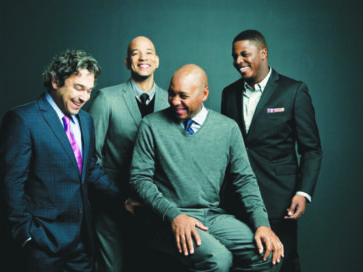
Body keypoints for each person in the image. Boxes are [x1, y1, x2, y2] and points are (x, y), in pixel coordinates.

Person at [129, 64, 283, 272]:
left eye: (183, 96)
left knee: (269, 254)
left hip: (213, 216)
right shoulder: (151, 125)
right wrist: (175, 216)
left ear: (204, 94)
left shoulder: (227, 128)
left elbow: (245, 180)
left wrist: (262, 224)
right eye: (172, 94)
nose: (175, 101)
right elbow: (139, 179)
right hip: (167, 219)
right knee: (218, 260)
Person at [0, 49, 121, 272]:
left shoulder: (86, 120)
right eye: (79, 88)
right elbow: (10, 183)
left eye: (89, 90)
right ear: (55, 81)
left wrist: (123, 199)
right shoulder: (23, 119)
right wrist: (26, 235)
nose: (85, 97)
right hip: (42, 244)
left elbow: (89, 168)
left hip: (82, 242)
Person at [221, 30, 323, 272]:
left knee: (283, 262)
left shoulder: (294, 91)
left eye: (244, 54)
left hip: (280, 198)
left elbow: (312, 149)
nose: (238, 61)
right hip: (236, 198)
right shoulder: (229, 93)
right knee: (242, 264)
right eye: (234, 56)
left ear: (263, 53)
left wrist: (303, 193)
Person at [88, 36, 169, 271]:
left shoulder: (170, 101)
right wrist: (118, 198)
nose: (143, 57)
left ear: (157, 61)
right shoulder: (106, 99)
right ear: (127, 62)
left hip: (156, 207)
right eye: (135, 53)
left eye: (149, 52)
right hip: (113, 204)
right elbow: (91, 158)